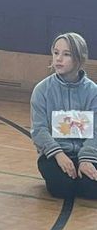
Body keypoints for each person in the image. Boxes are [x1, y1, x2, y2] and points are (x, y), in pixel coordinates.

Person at [30, 32, 97, 201]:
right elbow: (39, 130)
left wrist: (86, 158)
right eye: (55, 52)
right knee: (63, 189)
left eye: (66, 54)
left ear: (79, 59)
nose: (58, 58)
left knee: (92, 190)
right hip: (54, 155)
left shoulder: (93, 92)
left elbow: (95, 131)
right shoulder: (42, 90)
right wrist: (59, 154)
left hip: (87, 153)